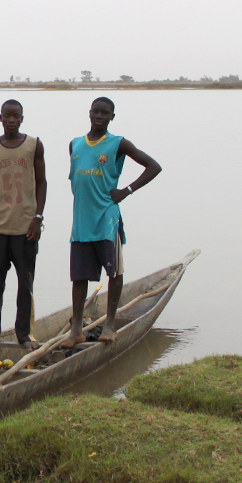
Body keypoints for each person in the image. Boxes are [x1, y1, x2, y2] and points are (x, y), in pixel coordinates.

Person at [60, 97, 161, 348]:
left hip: (107, 219)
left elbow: (153, 166)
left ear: (112, 117)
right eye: (96, 111)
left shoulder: (118, 144)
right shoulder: (75, 145)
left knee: (114, 271)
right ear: (89, 113)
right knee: (79, 277)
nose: (100, 116)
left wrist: (126, 190)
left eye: (106, 113)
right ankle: (76, 330)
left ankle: (109, 324)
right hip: (82, 221)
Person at [0, 99, 47, 350]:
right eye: (6, 116)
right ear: (0, 118)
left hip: (25, 229)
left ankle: (24, 333)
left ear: (21, 119)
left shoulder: (33, 145)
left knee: (25, 281)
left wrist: (38, 218)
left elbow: (42, 182)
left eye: (15, 116)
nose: (10, 120)